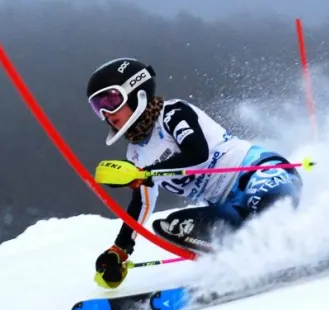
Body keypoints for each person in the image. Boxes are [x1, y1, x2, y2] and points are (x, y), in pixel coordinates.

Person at [87, 57, 304, 289]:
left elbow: (197, 152)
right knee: (176, 226)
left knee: (266, 209)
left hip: (263, 173)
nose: (106, 113)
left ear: (136, 93)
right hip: (230, 206)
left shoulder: (173, 113)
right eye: (98, 106)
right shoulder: (136, 156)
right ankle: (248, 258)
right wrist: (119, 250)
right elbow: (141, 204)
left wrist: (145, 173)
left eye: (111, 100)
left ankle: (312, 241)